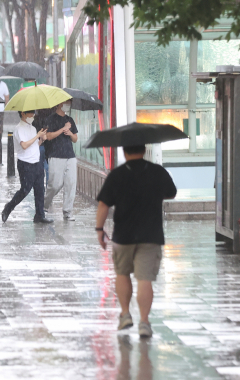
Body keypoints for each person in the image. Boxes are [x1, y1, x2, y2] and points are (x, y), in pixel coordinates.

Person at [95, 145, 177, 338]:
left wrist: (99, 229)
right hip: (151, 234)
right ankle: (145, 323)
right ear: (144, 149)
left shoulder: (117, 174)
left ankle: (125, 315)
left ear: (125, 152)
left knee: (122, 274)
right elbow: (171, 193)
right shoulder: (157, 171)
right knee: (144, 279)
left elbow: (103, 204)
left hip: (124, 235)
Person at [1, 111, 53, 224]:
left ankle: (40, 215)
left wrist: (41, 139)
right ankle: (8, 207)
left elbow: (34, 145)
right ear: (23, 113)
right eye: (30, 113)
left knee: (40, 190)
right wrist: (37, 136)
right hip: (25, 163)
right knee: (25, 190)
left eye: (33, 113)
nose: (33, 116)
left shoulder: (33, 128)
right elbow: (24, 145)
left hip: (37, 162)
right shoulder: (19, 128)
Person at [43, 100, 78, 221]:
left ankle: (68, 212)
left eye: (69, 102)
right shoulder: (51, 119)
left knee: (71, 184)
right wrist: (63, 128)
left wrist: (69, 133)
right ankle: (45, 204)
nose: (68, 104)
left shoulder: (70, 120)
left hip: (70, 156)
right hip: (56, 155)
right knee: (54, 184)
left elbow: (75, 139)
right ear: (59, 104)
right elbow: (48, 136)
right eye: (66, 102)